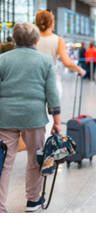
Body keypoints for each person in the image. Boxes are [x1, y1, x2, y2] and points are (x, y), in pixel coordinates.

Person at [0, 22, 61, 213]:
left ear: (15, 39)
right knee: (35, 159)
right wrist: (57, 121)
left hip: (5, 118)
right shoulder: (44, 61)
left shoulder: (2, 59)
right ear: (36, 40)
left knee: (3, 163)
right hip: (34, 118)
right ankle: (33, 200)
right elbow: (52, 93)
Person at [35, 10, 86, 94]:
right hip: (52, 81)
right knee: (53, 107)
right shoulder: (58, 40)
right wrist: (80, 70)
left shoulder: (32, 39)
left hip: (34, 82)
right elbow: (67, 63)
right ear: (51, 23)